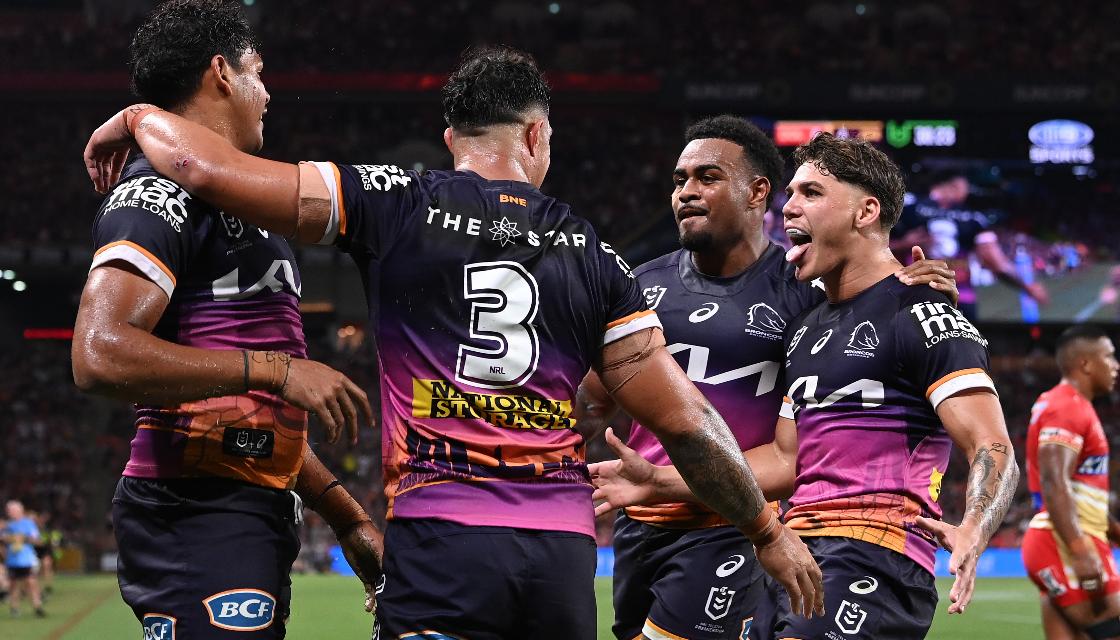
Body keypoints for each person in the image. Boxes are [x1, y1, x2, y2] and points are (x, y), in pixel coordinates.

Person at [83, 46, 824, 640]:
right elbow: (688, 423)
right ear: (537, 136)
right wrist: (764, 529)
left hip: (442, 541)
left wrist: (142, 112)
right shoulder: (598, 257)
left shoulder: (396, 203)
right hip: (560, 556)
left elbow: (202, 167)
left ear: (449, 141)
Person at [591, 133, 1020, 639]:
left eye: (811, 194)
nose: (788, 208)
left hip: (874, 548)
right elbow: (784, 460)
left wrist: (975, 524)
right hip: (794, 549)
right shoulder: (808, 330)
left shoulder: (921, 312)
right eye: (790, 194)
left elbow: (992, 444)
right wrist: (662, 480)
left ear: (865, 212)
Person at [70, 2, 381, 637]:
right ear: (221, 73)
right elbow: (98, 353)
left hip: (244, 505)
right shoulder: (156, 195)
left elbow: (245, 419)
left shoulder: (234, 204)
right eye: (258, 73)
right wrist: (274, 368)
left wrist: (345, 514)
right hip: (194, 510)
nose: (268, 94)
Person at [1023, 325, 1120, 639]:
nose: (1115, 365)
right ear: (1086, 364)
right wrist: (1080, 549)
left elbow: (1077, 488)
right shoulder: (1067, 406)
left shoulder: (1065, 404)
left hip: (1065, 538)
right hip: (1064, 543)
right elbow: (1054, 481)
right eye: (1109, 356)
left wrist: (1112, 530)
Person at [891, 170, 1049, 319]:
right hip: (959, 298)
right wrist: (1028, 287)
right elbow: (995, 261)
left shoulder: (909, 207)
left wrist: (905, 244)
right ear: (954, 185)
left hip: (915, 296)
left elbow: (875, 246)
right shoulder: (972, 216)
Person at [3, 500, 44, 618]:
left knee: (31, 582)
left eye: (11, 510)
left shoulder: (28, 523)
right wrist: (10, 539)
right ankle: (14, 608)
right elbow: (3, 538)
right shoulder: (8, 525)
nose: (9, 512)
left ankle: (37, 607)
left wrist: (23, 538)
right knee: (13, 584)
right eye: (8, 510)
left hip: (26, 559)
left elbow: (37, 540)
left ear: (19, 511)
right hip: (12, 560)